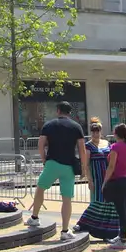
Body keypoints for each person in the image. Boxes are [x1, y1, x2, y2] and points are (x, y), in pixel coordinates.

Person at [27, 101, 88, 237]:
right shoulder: (76, 127)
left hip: (52, 163)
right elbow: (82, 150)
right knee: (67, 199)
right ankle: (65, 230)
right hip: (69, 166)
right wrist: (83, 169)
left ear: (58, 111)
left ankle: (34, 218)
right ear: (70, 112)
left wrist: (44, 160)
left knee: (40, 188)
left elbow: (41, 144)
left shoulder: (49, 125)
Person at [102, 123, 126, 248]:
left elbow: (111, 166)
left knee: (121, 211)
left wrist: (105, 182)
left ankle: (122, 239)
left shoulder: (115, 147)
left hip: (118, 180)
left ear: (115, 133)